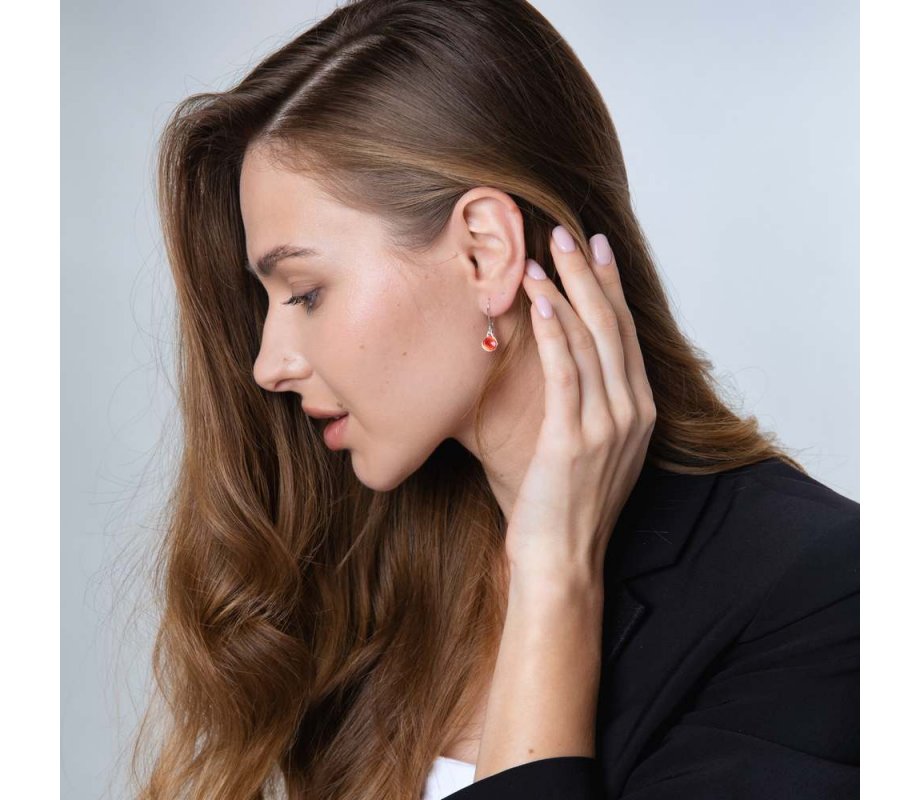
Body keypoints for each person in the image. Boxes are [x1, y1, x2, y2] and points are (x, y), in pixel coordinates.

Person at [131, 1, 859, 798]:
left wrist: (553, 579)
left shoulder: (825, 593)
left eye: (304, 292)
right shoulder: (381, 568)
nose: (268, 364)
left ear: (485, 254)